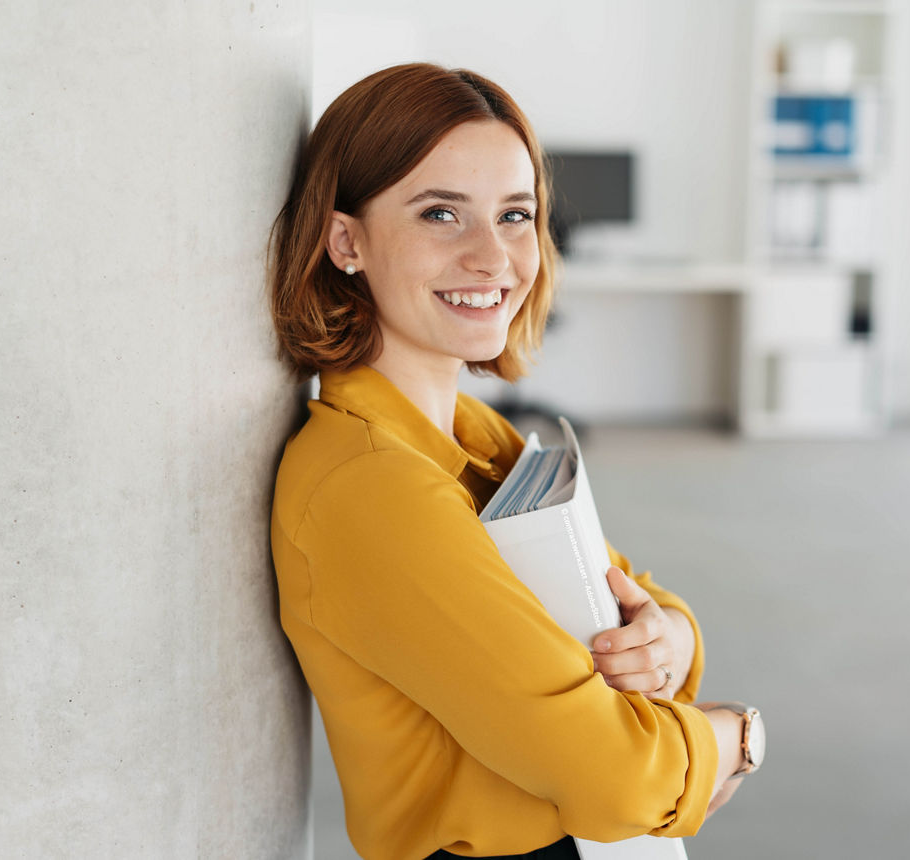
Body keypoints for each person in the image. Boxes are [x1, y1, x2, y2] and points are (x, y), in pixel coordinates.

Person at [268, 63, 764, 860]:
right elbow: (620, 782)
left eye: (515, 214)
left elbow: (625, 592)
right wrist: (738, 736)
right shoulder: (369, 486)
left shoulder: (470, 434)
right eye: (440, 214)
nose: (494, 257)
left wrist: (670, 635)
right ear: (345, 240)